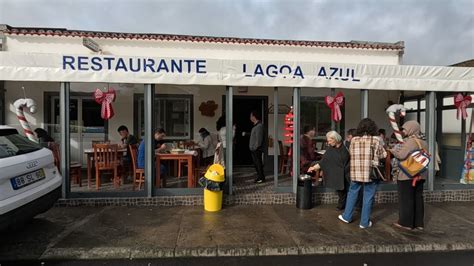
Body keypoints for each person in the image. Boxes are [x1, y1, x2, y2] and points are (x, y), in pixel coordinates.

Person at [338, 118, 387, 229]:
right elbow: (383, 155)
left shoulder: (354, 140)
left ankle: (346, 216)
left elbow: (350, 153)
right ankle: (364, 223)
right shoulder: (376, 140)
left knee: (352, 192)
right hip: (370, 172)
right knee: (368, 196)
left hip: (356, 172)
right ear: (373, 128)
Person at [389, 120, 428, 231]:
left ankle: (406, 223)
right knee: (418, 198)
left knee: (406, 199)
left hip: (408, 175)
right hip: (421, 174)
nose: (403, 131)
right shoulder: (423, 141)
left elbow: (401, 155)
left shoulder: (411, 141)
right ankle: (418, 223)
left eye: (405, 129)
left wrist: (391, 150)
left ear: (411, 129)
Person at [308, 131, 350, 210]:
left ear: (335, 139)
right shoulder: (330, 149)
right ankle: (342, 205)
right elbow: (323, 162)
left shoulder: (346, 145)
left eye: (330, 141)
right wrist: (313, 168)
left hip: (347, 173)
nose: (328, 142)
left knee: (348, 190)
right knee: (341, 190)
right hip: (338, 174)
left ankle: (349, 206)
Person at [249, 110, 266, 183]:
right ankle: (259, 177)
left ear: (254, 117)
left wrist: (255, 147)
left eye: (251, 116)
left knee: (258, 163)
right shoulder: (256, 126)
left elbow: (259, 139)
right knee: (256, 163)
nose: (250, 117)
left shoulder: (259, 126)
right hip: (254, 149)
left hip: (257, 149)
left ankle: (261, 178)